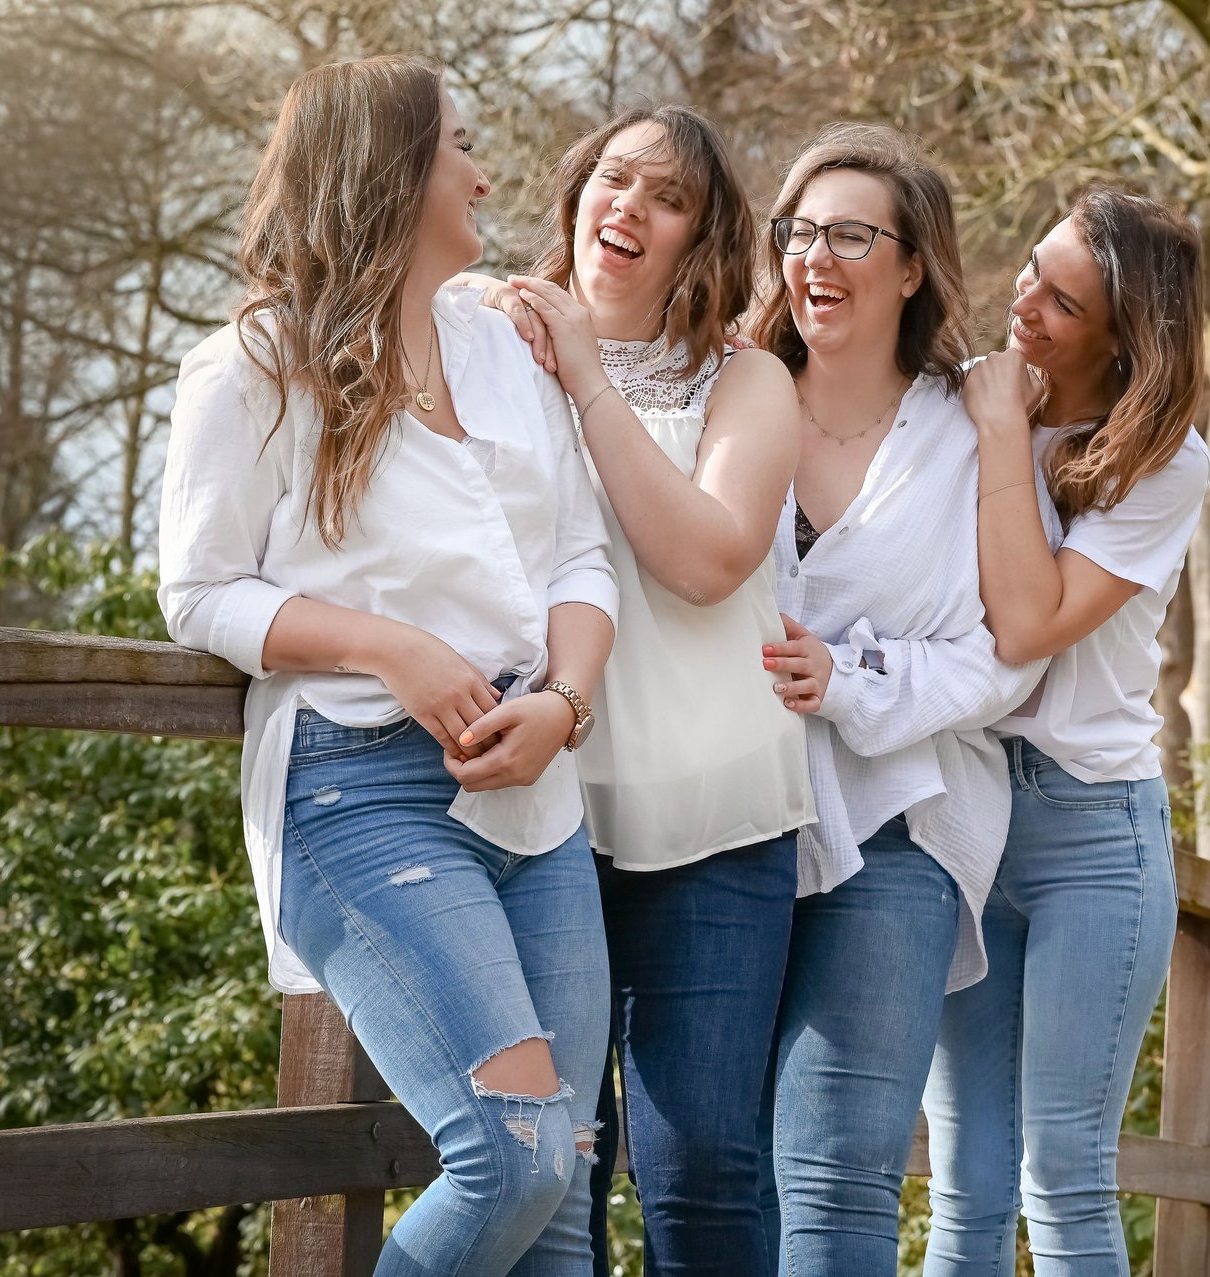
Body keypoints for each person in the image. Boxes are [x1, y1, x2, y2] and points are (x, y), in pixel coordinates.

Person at [157, 55, 616, 1276]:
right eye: (457, 145)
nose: (481, 170)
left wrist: (567, 702)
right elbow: (198, 589)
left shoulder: (508, 352)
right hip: (357, 791)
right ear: (391, 172)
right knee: (513, 1153)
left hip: (535, 793)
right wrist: (386, 643)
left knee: (564, 1193)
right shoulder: (252, 367)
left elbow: (581, 556)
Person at [461, 107, 811, 1277]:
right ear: (574, 190)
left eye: (664, 197)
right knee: (549, 1163)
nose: (627, 207)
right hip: (533, 812)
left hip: (713, 819)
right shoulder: (475, 340)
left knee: (703, 1158)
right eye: (614, 177)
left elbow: (711, 558)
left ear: (698, 237)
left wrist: (592, 383)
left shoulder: (747, 381)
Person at [750, 123, 1046, 1275]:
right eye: (799, 231)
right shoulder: (732, 394)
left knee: (834, 1168)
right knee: (714, 1163)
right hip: (720, 817)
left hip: (903, 823)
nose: (815, 256)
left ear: (914, 264)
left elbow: (1009, 654)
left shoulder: (970, 436)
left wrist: (853, 681)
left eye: (851, 235)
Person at [920, 188, 1210, 1276]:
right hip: (968, 809)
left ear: (1126, 339)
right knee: (966, 1182)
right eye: (1030, 274)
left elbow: (1030, 621)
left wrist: (1003, 432)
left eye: (1064, 301)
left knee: (1064, 1174)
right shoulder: (957, 406)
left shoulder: (1165, 461)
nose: (1025, 307)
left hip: (1096, 830)